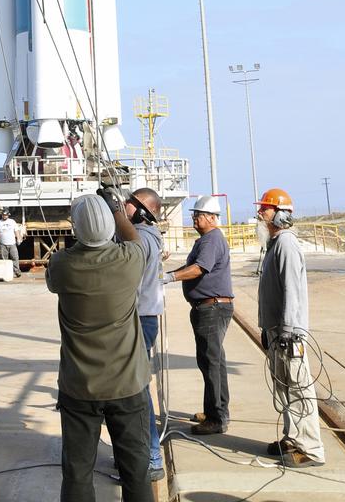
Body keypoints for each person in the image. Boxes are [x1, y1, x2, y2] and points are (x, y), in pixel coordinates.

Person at [46, 190, 154, 502]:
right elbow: (136, 239)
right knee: (136, 469)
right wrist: (117, 209)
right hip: (127, 385)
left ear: (75, 229)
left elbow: (55, 275)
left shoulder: (62, 266)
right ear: (110, 223)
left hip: (79, 387)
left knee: (78, 472)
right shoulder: (129, 260)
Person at [257, 187, 325, 467]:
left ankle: (310, 449)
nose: (260, 213)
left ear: (280, 214)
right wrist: (267, 329)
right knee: (284, 387)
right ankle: (293, 437)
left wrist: (287, 331)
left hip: (289, 334)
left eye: (265, 209)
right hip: (277, 332)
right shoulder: (273, 244)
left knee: (298, 388)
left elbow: (292, 291)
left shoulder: (286, 244)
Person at [163, 194, 233, 435]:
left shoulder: (211, 240)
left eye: (198, 215)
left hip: (212, 308)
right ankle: (215, 410)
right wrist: (169, 273)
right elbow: (190, 268)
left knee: (211, 362)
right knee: (212, 361)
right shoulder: (206, 239)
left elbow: (199, 268)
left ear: (212, 218)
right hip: (208, 307)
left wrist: (171, 277)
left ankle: (216, 418)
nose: (194, 218)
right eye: (194, 214)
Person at [125, 187, 165, 482]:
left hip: (140, 319)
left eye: (128, 204)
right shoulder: (140, 234)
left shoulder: (142, 237)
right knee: (129, 389)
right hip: (139, 318)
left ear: (141, 211)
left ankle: (152, 457)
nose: (124, 206)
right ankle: (135, 453)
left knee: (138, 390)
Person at [0, 209, 23, 277]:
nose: (4, 216)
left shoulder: (12, 222)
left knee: (15, 258)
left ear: (8, 215)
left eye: (6, 215)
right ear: (2, 215)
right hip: (2, 244)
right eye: (3, 215)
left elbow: (16, 230)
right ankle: (6, 272)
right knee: (4, 259)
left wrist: (18, 239)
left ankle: (17, 272)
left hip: (12, 243)